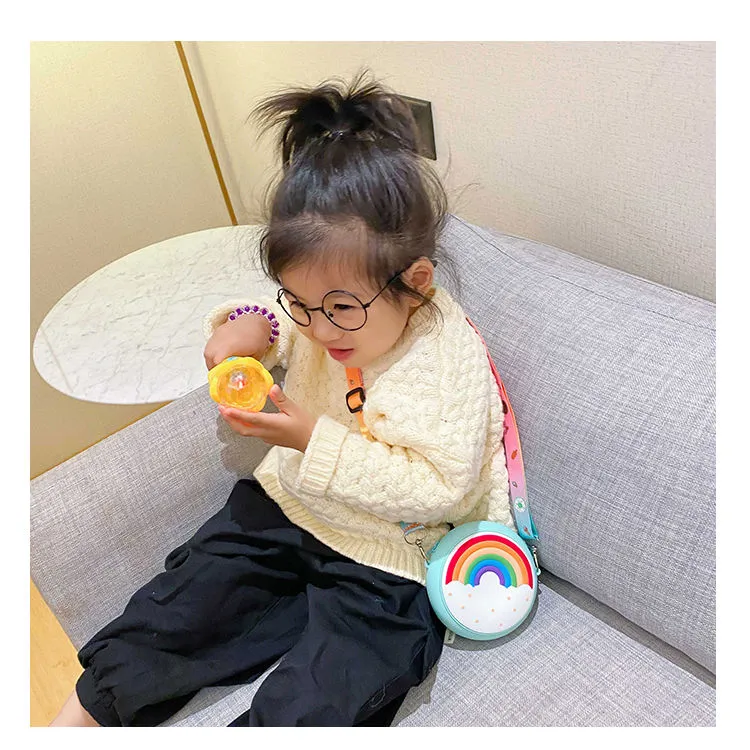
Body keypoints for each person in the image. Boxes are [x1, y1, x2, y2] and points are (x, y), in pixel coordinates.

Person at [50, 71, 513, 727]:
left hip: (396, 557)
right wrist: (248, 328)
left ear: (414, 283)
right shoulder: (322, 312)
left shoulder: (442, 356)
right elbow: (279, 325)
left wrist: (310, 439)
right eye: (300, 302)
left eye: (340, 309)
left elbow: (440, 489)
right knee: (178, 610)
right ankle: (71, 722)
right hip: (289, 507)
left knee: (328, 693)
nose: (318, 330)